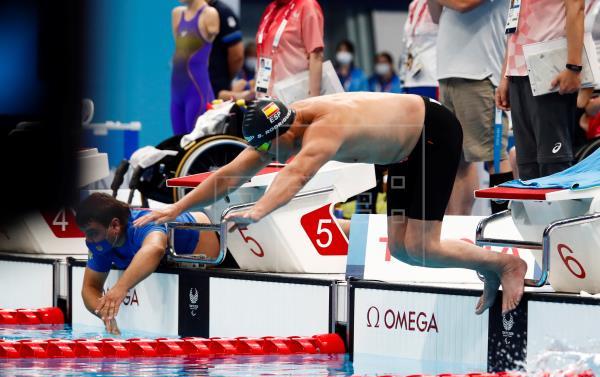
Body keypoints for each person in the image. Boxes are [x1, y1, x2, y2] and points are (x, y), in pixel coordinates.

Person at [135, 94, 527, 315]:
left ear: (287, 130)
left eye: (274, 148)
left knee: (423, 244)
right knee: (404, 251)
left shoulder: (323, 129)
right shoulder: (282, 127)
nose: (273, 155)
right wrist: (172, 209)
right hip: (403, 153)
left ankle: (506, 264)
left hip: (432, 136)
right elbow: (228, 175)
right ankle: (488, 268)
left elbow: (296, 175)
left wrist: (258, 210)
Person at [75, 193, 219, 334]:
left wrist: (120, 288)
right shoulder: (102, 244)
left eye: (92, 232)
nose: (89, 239)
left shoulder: (143, 223)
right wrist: (104, 314)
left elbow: (155, 248)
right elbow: (89, 287)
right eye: (85, 233)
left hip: (207, 243)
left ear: (115, 225)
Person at [428, 0, 513, 215]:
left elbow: (463, 3)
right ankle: (459, 225)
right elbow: (436, 16)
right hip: (448, 74)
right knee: (457, 161)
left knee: (495, 157)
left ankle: (504, 223)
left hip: (480, 75)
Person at [496, 0, 585, 180]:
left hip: (548, 70)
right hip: (518, 72)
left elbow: (576, 8)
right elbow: (514, 21)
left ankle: (560, 209)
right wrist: (506, 74)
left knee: (554, 163)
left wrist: (573, 66)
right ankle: (536, 209)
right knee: (527, 164)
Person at [255, 0, 324, 97]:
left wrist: (313, 101)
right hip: (265, 99)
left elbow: (316, 55)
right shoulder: (271, 8)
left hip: (294, 98)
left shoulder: (307, 5)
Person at [171, 0, 220, 135]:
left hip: (197, 92)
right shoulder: (177, 14)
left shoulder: (209, 14)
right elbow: (181, 50)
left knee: (194, 144)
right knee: (178, 143)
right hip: (177, 91)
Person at [400, 0, 439, 99]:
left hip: (432, 78)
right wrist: (403, 78)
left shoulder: (442, 3)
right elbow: (407, 43)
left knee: (433, 114)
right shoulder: (414, 4)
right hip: (411, 78)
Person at [208, 0, 244, 99]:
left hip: (217, 88)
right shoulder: (185, 14)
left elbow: (237, 56)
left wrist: (223, 79)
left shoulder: (222, 12)